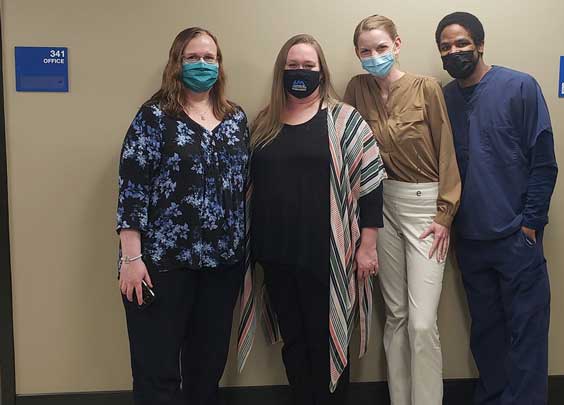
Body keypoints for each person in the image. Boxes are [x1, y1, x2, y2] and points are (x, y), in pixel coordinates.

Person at [237, 33, 386, 405]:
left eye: (308, 66)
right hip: (277, 254)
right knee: (295, 344)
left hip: (327, 255)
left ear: (322, 71)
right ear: (280, 72)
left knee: (328, 341)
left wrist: (368, 246)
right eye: (292, 66)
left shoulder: (344, 120)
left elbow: (371, 185)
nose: (300, 72)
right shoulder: (264, 123)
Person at [116, 27, 249, 405]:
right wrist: (131, 258)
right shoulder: (154, 118)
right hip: (160, 265)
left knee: (206, 369)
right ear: (177, 63)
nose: (202, 64)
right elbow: (132, 190)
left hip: (222, 267)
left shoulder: (235, 119)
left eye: (210, 58)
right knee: (157, 372)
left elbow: (243, 188)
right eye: (193, 57)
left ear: (219, 66)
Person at [435, 12, 559, 405]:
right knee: (486, 334)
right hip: (470, 240)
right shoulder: (446, 98)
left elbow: (543, 161)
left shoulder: (520, 87)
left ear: (480, 44)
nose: (454, 52)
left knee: (527, 333)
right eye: (445, 47)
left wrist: (531, 224)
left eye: (461, 43)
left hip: (515, 237)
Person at [343, 15, 461, 405]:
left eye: (381, 47)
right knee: (395, 316)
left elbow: (447, 151)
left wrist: (445, 214)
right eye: (365, 50)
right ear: (357, 53)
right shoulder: (357, 89)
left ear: (397, 44)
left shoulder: (426, 88)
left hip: (425, 206)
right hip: (378, 207)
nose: (374, 56)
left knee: (423, 323)